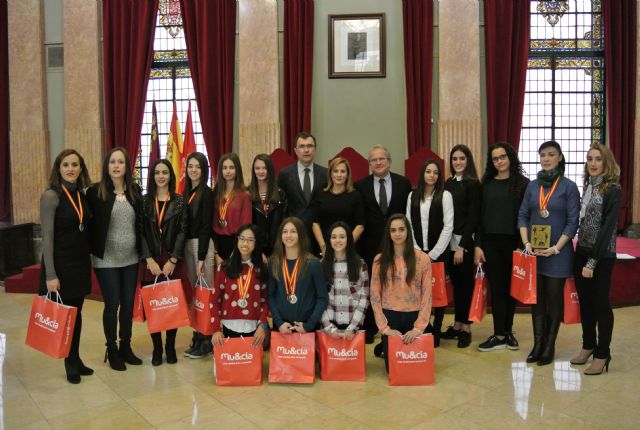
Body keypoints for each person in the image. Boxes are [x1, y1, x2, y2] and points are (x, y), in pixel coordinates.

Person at [518, 140, 580, 365]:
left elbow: (573, 222)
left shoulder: (569, 187)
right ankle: (537, 344)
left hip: (558, 254)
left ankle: (549, 346)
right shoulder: (533, 186)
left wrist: (556, 248)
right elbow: (523, 215)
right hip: (534, 253)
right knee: (537, 300)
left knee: (553, 300)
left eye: (551, 154)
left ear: (560, 157)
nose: (546, 158)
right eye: (542, 154)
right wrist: (526, 244)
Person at [39, 149, 93, 384]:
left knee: (77, 314)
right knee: (65, 315)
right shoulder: (51, 196)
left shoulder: (80, 194)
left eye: (75, 164)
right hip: (60, 264)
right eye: (65, 165)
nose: (70, 169)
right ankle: (69, 363)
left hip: (80, 262)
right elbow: (47, 237)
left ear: (81, 168)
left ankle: (76, 357)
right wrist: (50, 274)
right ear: (58, 169)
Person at [86, 147, 143, 371]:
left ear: (127, 166)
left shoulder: (135, 191)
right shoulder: (95, 192)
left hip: (131, 258)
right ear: (106, 166)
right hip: (106, 259)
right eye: (112, 162)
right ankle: (112, 350)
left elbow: (141, 224)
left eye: (120, 162)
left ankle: (125, 347)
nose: (116, 166)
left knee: (128, 304)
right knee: (113, 304)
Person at [571, 144, 621, 375]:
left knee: (600, 303)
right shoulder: (588, 186)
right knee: (585, 302)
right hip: (580, 251)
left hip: (601, 255)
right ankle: (588, 345)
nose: (592, 163)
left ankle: (602, 353)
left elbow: (607, 229)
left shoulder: (613, 189)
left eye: (598, 159)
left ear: (606, 162)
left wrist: (592, 261)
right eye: (589, 158)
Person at [474, 142, 530, 352]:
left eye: (502, 157)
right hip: (490, 244)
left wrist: (521, 246)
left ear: (511, 158)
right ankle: (499, 334)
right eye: (495, 158)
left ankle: (508, 332)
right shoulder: (486, 184)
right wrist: (478, 245)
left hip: (514, 244)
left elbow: (526, 217)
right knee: (498, 289)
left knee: (512, 290)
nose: (499, 161)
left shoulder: (523, 184)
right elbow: (479, 218)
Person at [355, 145, 412, 343]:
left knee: (397, 283)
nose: (378, 162)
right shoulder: (360, 185)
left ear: (389, 161)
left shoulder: (403, 183)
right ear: (369, 164)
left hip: (397, 244)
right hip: (370, 245)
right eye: (373, 160)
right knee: (373, 286)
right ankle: (371, 327)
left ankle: (395, 324)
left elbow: (407, 215)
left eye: (381, 159)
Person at [140, 159, 188, 366]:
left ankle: (170, 345)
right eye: (157, 172)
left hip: (171, 260)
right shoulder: (144, 201)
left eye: (165, 172)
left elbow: (183, 231)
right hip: (151, 261)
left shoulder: (179, 201)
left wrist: (174, 259)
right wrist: (148, 259)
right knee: (155, 305)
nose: (161, 176)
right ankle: (157, 347)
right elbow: (139, 232)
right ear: (152, 176)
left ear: (171, 176)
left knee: (171, 304)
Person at [369, 214, 432, 371]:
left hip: (415, 315)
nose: (397, 234)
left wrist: (418, 328)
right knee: (394, 370)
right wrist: (385, 329)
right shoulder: (379, 260)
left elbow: (427, 295)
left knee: (415, 370)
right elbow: (375, 296)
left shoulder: (423, 259)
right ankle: (384, 343)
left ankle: (384, 345)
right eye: (393, 230)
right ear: (388, 234)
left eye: (401, 229)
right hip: (390, 316)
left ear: (408, 232)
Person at [406, 159, 453, 347]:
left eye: (435, 172)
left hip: (438, 252)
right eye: (428, 171)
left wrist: (433, 254)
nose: (432, 175)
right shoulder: (412, 196)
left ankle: (438, 327)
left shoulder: (445, 195)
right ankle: (424, 326)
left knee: (437, 291)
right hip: (417, 251)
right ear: (422, 174)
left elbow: (448, 226)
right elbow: (408, 222)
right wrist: (417, 249)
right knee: (418, 291)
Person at [441, 145, 481, 348]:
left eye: (461, 158)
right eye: (454, 159)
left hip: (463, 243)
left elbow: (474, 217)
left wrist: (462, 247)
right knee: (456, 286)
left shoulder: (473, 184)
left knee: (465, 286)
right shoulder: (448, 183)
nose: (457, 162)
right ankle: (457, 324)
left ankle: (466, 327)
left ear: (468, 160)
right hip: (448, 242)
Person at [181, 152, 216, 359]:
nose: (193, 170)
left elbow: (205, 226)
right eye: (190, 166)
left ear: (204, 170)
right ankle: (198, 334)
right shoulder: (186, 192)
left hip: (201, 247)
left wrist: (202, 256)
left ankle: (207, 338)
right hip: (187, 246)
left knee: (206, 295)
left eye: (198, 167)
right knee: (196, 296)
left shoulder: (207, 192)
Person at [268, 217, 329, 334]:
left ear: (301, 235)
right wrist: (279, 322)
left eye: (293, 231)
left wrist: (309, 324)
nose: (288, 235)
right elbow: (270, 296)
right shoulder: (274, 262)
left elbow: (322, 298)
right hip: (282, 327)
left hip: (306, 327)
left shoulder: (313, 263)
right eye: (285, 232)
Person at [211, 224, 269, 346]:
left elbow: (265, 301)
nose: (245, 243)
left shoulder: (261, 269)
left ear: (256, 243)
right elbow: (214, 299)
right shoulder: (224, 268)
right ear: (237, 240)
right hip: (227, 327)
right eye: (242, 239)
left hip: (254, 329)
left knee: (250, 365)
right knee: (229, 365)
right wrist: (216, 329)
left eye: (250, 240)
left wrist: (262, 325)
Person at [277, 132, 327, 253]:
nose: (306, 150)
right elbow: (281, 207)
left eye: (309, 146)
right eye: (302, 146)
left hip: (319, 235)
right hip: (293, 235)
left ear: (315, 149)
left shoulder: (326, 174)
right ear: (295, 150)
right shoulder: (285, 174)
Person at [320, 222, 369, 337]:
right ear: (329, 240)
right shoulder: (321, 265)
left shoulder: (360, 265)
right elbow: (318, 299)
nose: (338, 240)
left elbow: (364, 298)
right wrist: (328, 327)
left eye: (342, 237)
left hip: (352, 328)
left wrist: (352, 328)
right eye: (334, 237)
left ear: (349, 239)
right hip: (329, 328)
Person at [312, 157, 365, 255]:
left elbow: (360, 226)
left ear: (348, 174)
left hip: (349, 250)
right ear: (330, 174)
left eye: (343, 171)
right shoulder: (320, 193)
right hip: (325, 249)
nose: (339, 175)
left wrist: (345, 246)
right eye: (335, 171)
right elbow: (315, 223)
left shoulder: (355, 195)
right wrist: (323, 247)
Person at [213, 153, 252, 265]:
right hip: (217, 245)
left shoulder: (244, 196)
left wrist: (236, 251)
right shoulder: (215, 194)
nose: (228, 171)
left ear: (237, 170)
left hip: (236, 244)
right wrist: (215, 253)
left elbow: (246, 226)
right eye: (224, 168)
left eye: (231, 167)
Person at [249, 154, 287, 259]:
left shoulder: (280, 194)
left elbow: (284, 223)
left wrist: (279, 249)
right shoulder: (247, 195)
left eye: (264, 168)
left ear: (270, 170)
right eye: (257, 168)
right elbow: (247, 226)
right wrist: (257, 251)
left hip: (277, 249)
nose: (261, 171)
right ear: (253, 170)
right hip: (254, 249)